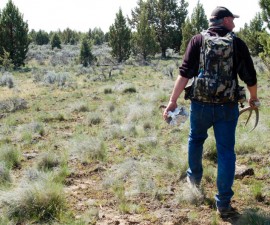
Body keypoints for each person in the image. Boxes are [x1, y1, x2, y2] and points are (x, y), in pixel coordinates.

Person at [163, 6, 259, 216]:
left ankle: (194, 180)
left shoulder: (197, 40)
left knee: (196, 139)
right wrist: (253, 97)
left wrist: (173, 100)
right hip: (227, 106)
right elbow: (250, 75)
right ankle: (223, 203)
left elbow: (184, 73)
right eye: (232, 19)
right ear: (224, 20)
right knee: (226, 151)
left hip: (201, 104)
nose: (234, 22)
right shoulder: (236, 43)